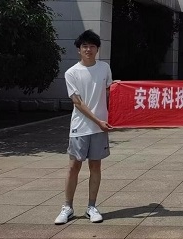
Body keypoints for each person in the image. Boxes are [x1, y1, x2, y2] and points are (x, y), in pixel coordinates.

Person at [54, 30, 114, 225]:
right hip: (80, 127)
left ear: (97, 49)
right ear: (79, 50)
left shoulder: (104, 68)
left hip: (100, 127)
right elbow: (77, 102)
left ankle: (91, 207)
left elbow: (109, 92)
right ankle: (67, 207)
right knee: (74, 167)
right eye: (85, 46)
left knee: (95, 166)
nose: (88, 49)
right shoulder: (71, 72)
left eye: (92, 46)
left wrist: (119, 89)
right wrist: (98, 120)